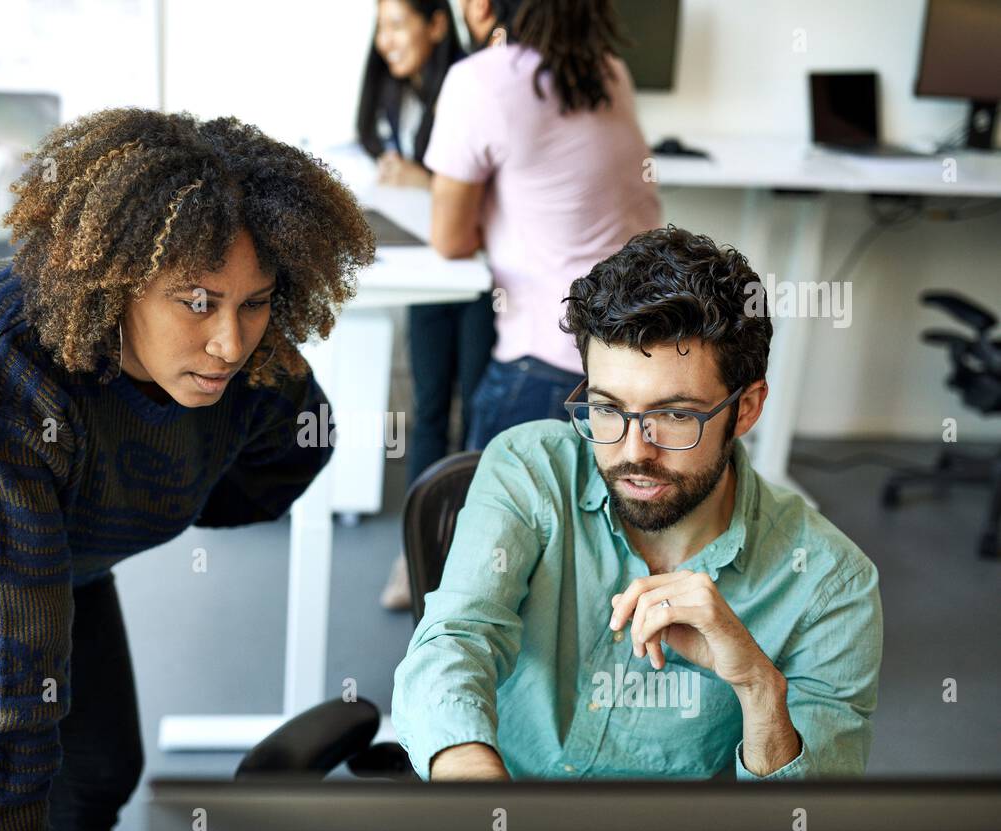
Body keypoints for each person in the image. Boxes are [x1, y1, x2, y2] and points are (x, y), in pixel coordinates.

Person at [0, 107, 376, 831]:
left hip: (57, 554)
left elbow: (292, 455)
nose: (230, 343)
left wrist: (160, 498)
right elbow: (4, 659)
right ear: (120, 280)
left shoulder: (256, 362)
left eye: (255, 302)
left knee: (100, 773)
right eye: (197, 300)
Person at [392, 226, 884, 783]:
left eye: (675, 416)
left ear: (745, 410)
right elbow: (458, 638)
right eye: (607, 409)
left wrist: (757, 685)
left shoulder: (830, 584)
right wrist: (477, 794)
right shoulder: (530, 468)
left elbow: (806, 829)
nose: (632, 453)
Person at [426, 0, 663, 449]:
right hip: (634, 359)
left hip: (546, 368)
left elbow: (449, 239)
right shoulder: (610, 71)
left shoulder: (481, 78)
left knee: (502, 515)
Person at [359, 0, 498, 609]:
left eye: (397, 25)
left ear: (437, 25)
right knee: (428, 406)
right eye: (380, 28)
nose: (386, 40)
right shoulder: (397, 92)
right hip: (430, 273)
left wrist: (422, 178)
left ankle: (472, 561)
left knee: (474, 409)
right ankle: (414, 557)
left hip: (477, 275)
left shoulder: (472, 86)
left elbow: (483, 184)